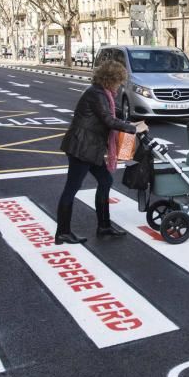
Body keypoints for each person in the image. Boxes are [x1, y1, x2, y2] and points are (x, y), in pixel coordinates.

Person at [56, 61, 148, 245]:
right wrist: (132, 129)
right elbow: (108, 120)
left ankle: (104, 226)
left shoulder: (103, 94)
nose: (120, 85)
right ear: (110, 79)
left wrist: (132, 123)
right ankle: (62, 232)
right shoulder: (96, 94)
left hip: (91, 148)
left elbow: (110, 114)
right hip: (81, 148)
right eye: (118, 81)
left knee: (105, 181)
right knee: (71, 188)